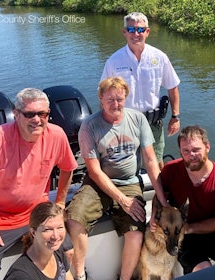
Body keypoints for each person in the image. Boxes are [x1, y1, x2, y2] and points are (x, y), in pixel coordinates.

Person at [0, 88, 78, 280]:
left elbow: (68, 168)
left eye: (42, 113)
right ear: (16, 115)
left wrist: (59, 203)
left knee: (68, 251)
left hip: (37, 213)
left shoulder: (57, 135)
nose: (37, 119)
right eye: (29, 114)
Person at [66, 76, 168, 280]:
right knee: (75, 218)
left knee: (136, 232)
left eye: (120, 99)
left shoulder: (137, 119)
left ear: (126, 98)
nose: (115, 104)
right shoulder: (89, 126)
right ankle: (79, 274)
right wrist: (122, 200)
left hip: (129, 182)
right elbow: (94, 171)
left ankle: (124, 277)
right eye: (110, 99)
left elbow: (150, 160)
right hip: (97, 184)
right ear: (101, 99)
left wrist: (163, 200)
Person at [100, 11, 181, 169]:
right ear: (124, 32)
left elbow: (172, 87)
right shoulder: (114, 61)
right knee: (126, 164)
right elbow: (103, 94)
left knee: (156, 160)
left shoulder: (160, 57)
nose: (135, 34)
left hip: (153, 123)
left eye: (140, 30)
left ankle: (161, 193)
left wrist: (175, 116)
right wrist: (105, 122)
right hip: (124, 123)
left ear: (147, 32)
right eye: (131, 30)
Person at [158, 125, 215, 274]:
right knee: (203, 271)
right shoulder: (170, 170)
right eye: (186, 151)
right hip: (184, 237)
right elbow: (159, 196)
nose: (191, 155)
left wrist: (190, 228)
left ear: (207, 147)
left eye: (196, 149)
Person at [4, 202, 74, 280]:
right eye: (48, 229)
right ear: (33, 232)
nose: (56, 236)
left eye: (60, 228)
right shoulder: (21, 275)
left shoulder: (57, 251)